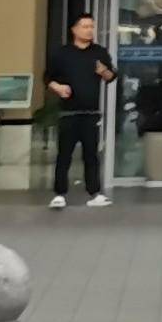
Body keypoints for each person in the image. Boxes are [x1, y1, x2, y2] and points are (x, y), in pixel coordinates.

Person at [45, 12, 117, 208]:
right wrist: (58, 88)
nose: (89, 30)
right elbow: (48, 78)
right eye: (85, 26)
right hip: (68, 113)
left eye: (91, 26)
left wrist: (104, 72)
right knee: (64, 155)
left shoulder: (99, 53)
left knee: (91, 155)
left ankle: (95, 193)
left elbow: (111, 77)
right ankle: (59, 193)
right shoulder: (62, 53)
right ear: (74, 30)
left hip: (90, 113)